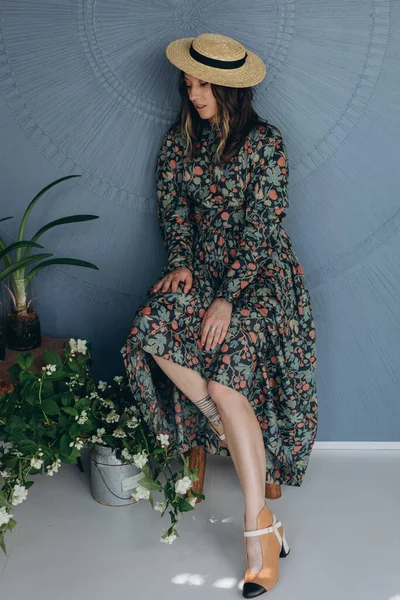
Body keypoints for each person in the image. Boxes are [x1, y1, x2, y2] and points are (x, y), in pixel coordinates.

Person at [121, 33, 318, 597]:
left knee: (227, 379)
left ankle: (258, 533)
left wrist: (229, 295)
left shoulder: (266, 143)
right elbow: (173, 212)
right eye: (189, 83)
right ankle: (218, 422)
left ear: (231, 87)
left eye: (204, 84)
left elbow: (263, 227)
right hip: (202, 271)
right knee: (150, 329)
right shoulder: (179, 140)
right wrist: (182, 265)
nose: (194, 92)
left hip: (260, 278)